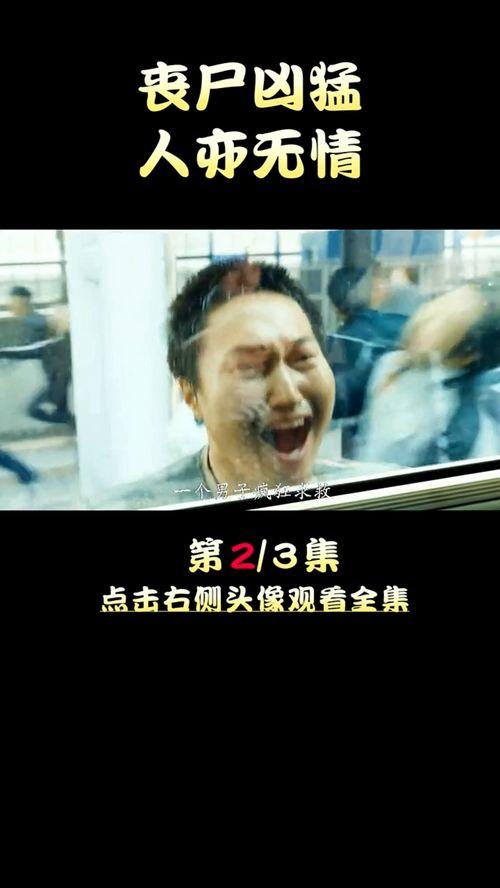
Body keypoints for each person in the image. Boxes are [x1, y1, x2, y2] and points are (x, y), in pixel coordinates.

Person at [98, 259, 391, 509]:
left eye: (302, 358)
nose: (288, 394)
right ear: (192, 395)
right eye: (249, 368)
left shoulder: (388, 495)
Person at [356, 280, 500, 467]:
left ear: (469, 353)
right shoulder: (390, 364)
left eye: (444, 323)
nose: (424, 318)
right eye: (436, 305)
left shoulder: (463, 419)